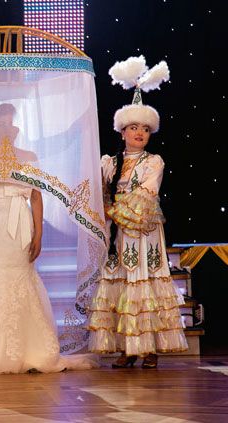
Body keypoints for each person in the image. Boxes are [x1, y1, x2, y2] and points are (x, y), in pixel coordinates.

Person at [0, 103, 97, 374]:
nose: (7, 130)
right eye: (1, 124)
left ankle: (31, 349)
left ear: (17, 128)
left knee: (22, 277)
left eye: (10, 124)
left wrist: (39, 234)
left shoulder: (28, 157)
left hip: (21, 223)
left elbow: (37, 196)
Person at [87, 57, 188, 368]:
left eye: (145, 128)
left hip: (143, 231)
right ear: (122, 131)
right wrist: (102, 207)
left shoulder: (153, 162)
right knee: (121, 281)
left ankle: (148, 348)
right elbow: (97, 190)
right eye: (133, 128)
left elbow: (146, 195)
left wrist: (112, 210)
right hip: (119, 235)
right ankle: (126, 347)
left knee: (144, 279)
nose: (139, 133)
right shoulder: (109, 162)